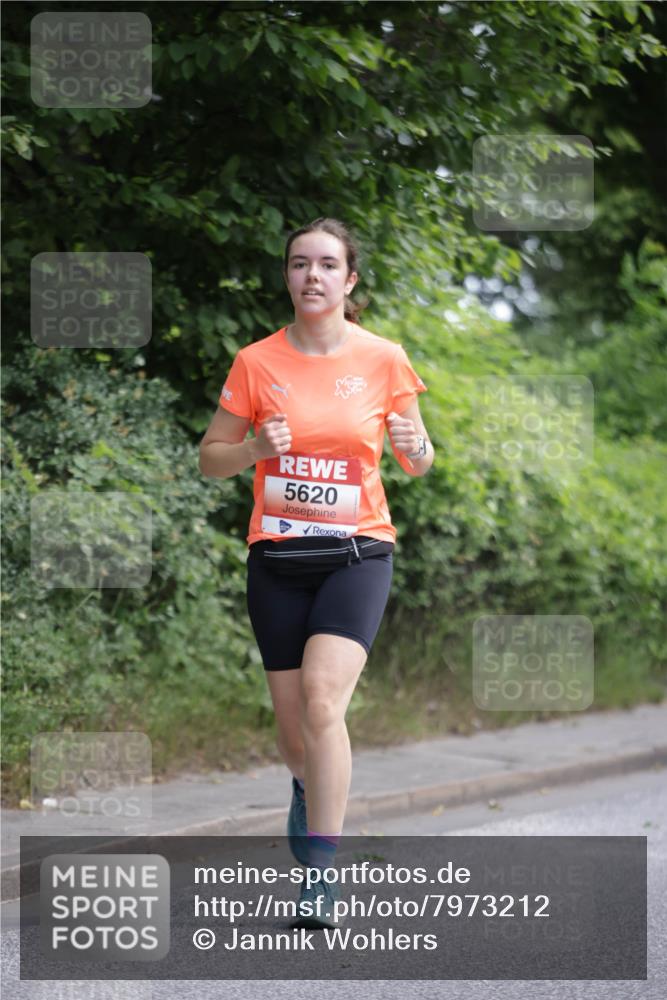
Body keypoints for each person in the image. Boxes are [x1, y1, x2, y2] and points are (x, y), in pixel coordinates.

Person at [199, 217, 434, 928]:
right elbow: (211, 457)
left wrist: (415, 443)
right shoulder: (255, 362)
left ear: (349, 279)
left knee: (324, 702)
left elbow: (418, 461)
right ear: (287, 276)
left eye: (327, 264)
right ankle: (306, 784)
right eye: (300, 263)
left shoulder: (384, 359)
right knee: (294, 731)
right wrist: (252, 450)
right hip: (277, 559)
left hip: (357, 552)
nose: (312, 275)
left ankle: (321, 875)